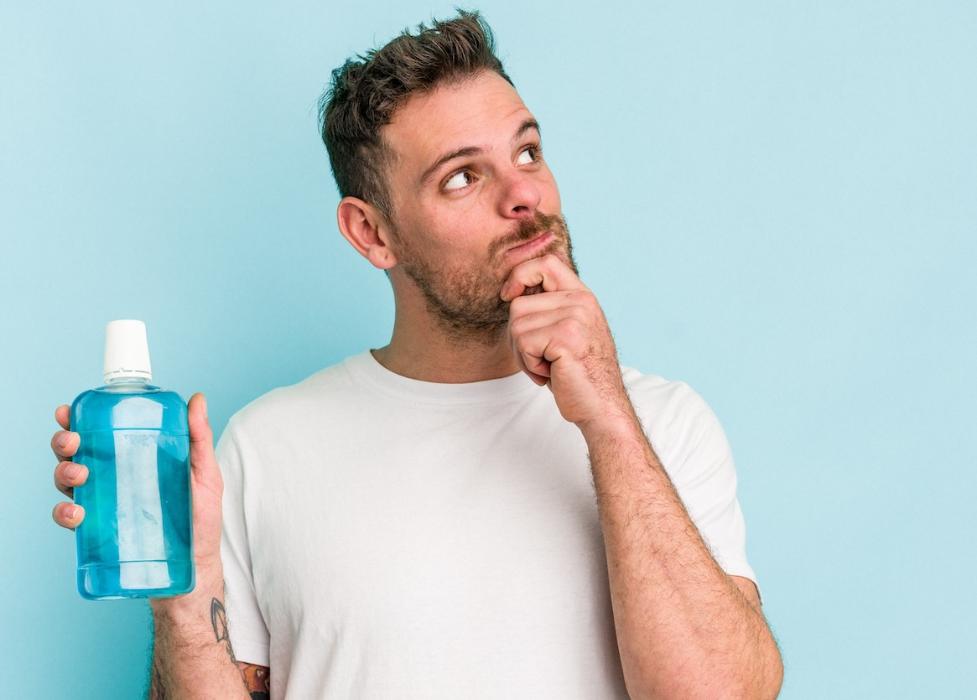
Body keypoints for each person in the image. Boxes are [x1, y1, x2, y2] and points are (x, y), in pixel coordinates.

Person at [50, 10, 783, 699]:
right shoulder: (267, 448)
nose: (524, 193)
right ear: (372, 234)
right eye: (462, 176)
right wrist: (184, 592)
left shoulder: (663, 424)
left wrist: (609, 421)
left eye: (527, 150)